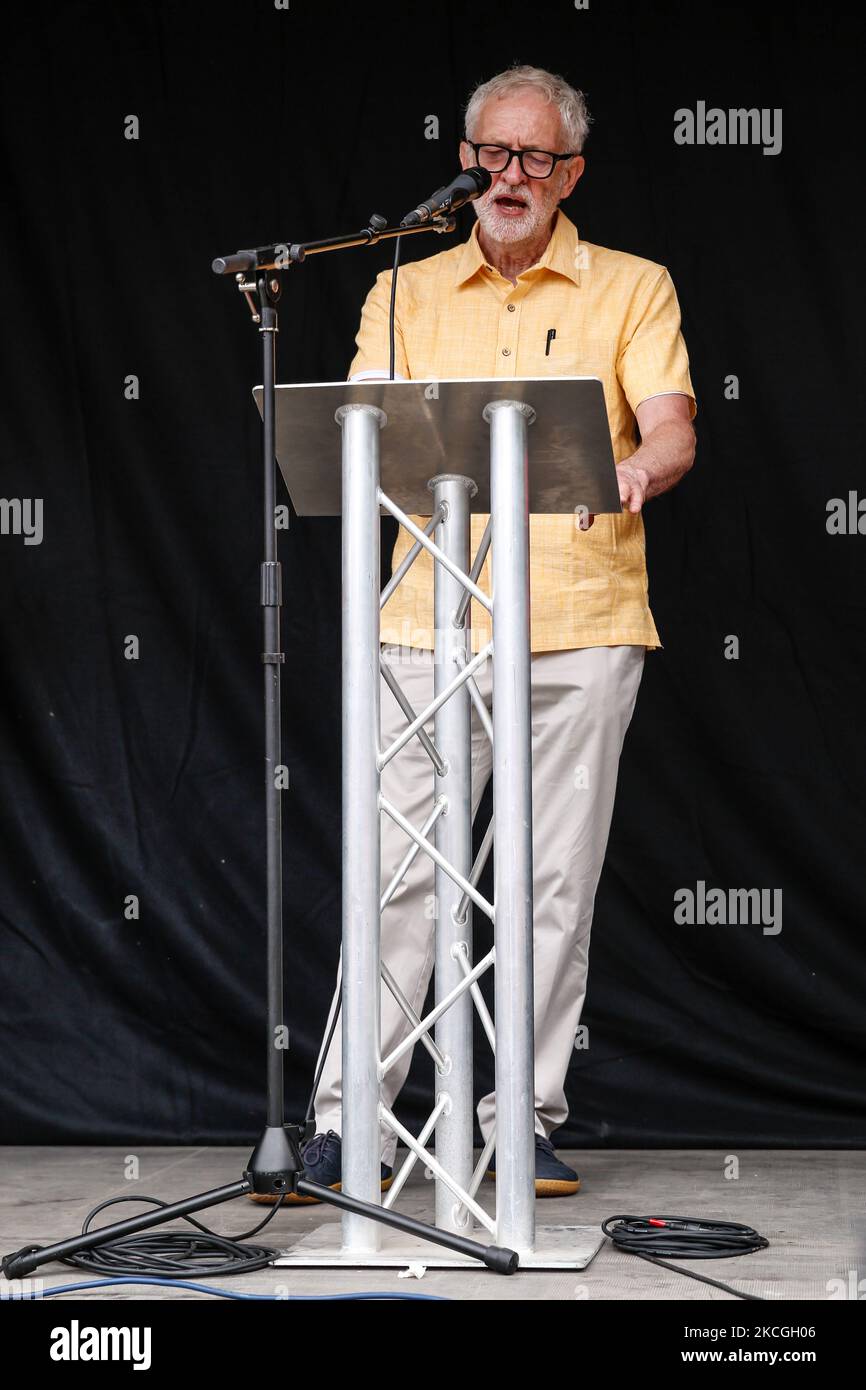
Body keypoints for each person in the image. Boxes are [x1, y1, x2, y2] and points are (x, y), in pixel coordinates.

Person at [254, 63, 697, 1205]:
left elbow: (668, 425)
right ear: (464, 162)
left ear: (570, 173)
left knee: (551, 885)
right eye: (493, 155)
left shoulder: (631, 285)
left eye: (536, 158)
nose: (511, 176)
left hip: (580, 624)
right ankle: (350, 1125)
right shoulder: (401, 292)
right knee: (398, 877)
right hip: (428, 623)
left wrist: (640, 469)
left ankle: (521, 1124)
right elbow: (359, 439)